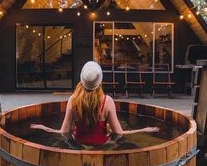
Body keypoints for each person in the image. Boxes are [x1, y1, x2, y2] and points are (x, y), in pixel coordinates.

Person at [31, 61, 159, 145]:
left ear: (82, 80)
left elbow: (64, 132)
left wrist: (45, 128)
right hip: (102, 144)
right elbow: (119, 133)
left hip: (78, 143)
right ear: (100, 81)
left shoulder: (73, 100)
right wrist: (143, 129)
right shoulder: (107, 101)